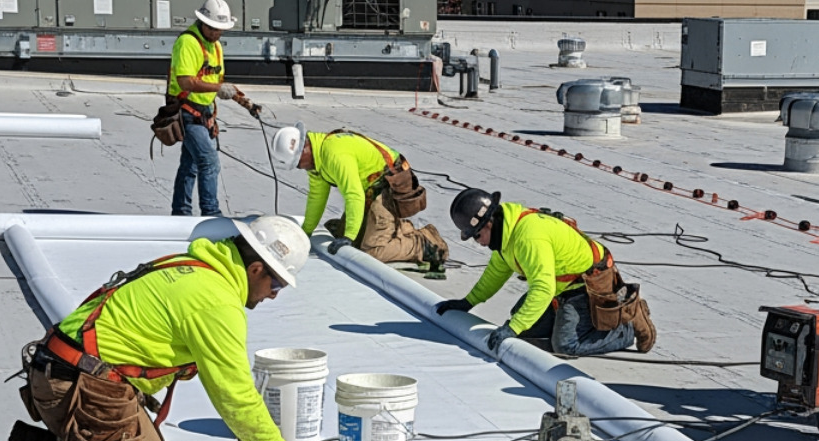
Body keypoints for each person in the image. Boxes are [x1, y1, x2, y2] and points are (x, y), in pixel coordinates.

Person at [0, 216, 320, 441]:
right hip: (79, 389)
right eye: (276, 286)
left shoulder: (188, 266)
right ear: (257, 269)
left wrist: (254, 438)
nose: (273, 297)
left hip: (58, 373)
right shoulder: (217, 302)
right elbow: (235, 395)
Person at [434, 188, 655, 356]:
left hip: (586, 284)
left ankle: (626, 325)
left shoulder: (528, 237)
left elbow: (543, 288)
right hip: (562, 287)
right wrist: (468, 302)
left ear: (488, 223)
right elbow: (496, 273)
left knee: (565, 345)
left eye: (476, 235)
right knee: (524, 324)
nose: (477, 242)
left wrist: (514, 327)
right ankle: (565, 321)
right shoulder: (505, 235)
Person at [269, 124, 448, 266]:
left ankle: (425, 244)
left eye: (298, 162)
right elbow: (317, 198)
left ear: (305, 147)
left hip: (389, 184)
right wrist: (305, 233)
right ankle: (392, 228)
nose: (300, 167)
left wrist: (349, 237)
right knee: (345, 238)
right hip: (368, 189)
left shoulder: (334, 154)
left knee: (372, 251)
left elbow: (353, 195)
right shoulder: (316, 162)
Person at [168, 0, 259, 217]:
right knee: (209, 162)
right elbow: (185, 81)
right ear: (203, 23)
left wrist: (242, 101)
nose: (217, 33)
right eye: (214, 29)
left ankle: (180, 213)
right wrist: (218, 88)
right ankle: (211, 214)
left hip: (203, 114)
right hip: (185, 112)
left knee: (190, 166)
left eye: (221, 29)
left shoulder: (216, 46)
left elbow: (216, 82)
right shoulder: (188, 42)